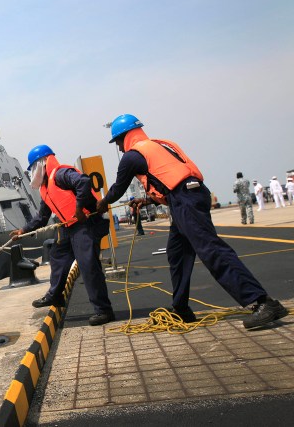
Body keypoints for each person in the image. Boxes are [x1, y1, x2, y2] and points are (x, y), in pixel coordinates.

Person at [96, 114, 288, 329]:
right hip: (190, 195)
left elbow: (117, 188)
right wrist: (148, 199)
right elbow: (172, 177)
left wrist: (102, 203)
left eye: (119, 142)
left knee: (211, 250)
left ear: (125, 136)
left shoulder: (132, 156)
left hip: (185, 200)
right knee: (177, 253)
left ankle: (262, 302)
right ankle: (181, 309)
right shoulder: (161, 145)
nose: (120, 148)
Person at [10, 144, 115, 326]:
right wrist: (23, 231)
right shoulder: (47, 188)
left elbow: (83, 182)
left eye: (33, 167)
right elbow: (42, 216)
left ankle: (103, 310)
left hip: (86, 223)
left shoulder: (60, 174)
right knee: (58, 258)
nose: (32, 172)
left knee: (88, 265)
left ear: (42, 163)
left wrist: (78, 208)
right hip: (69, 227)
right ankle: (55, 296)